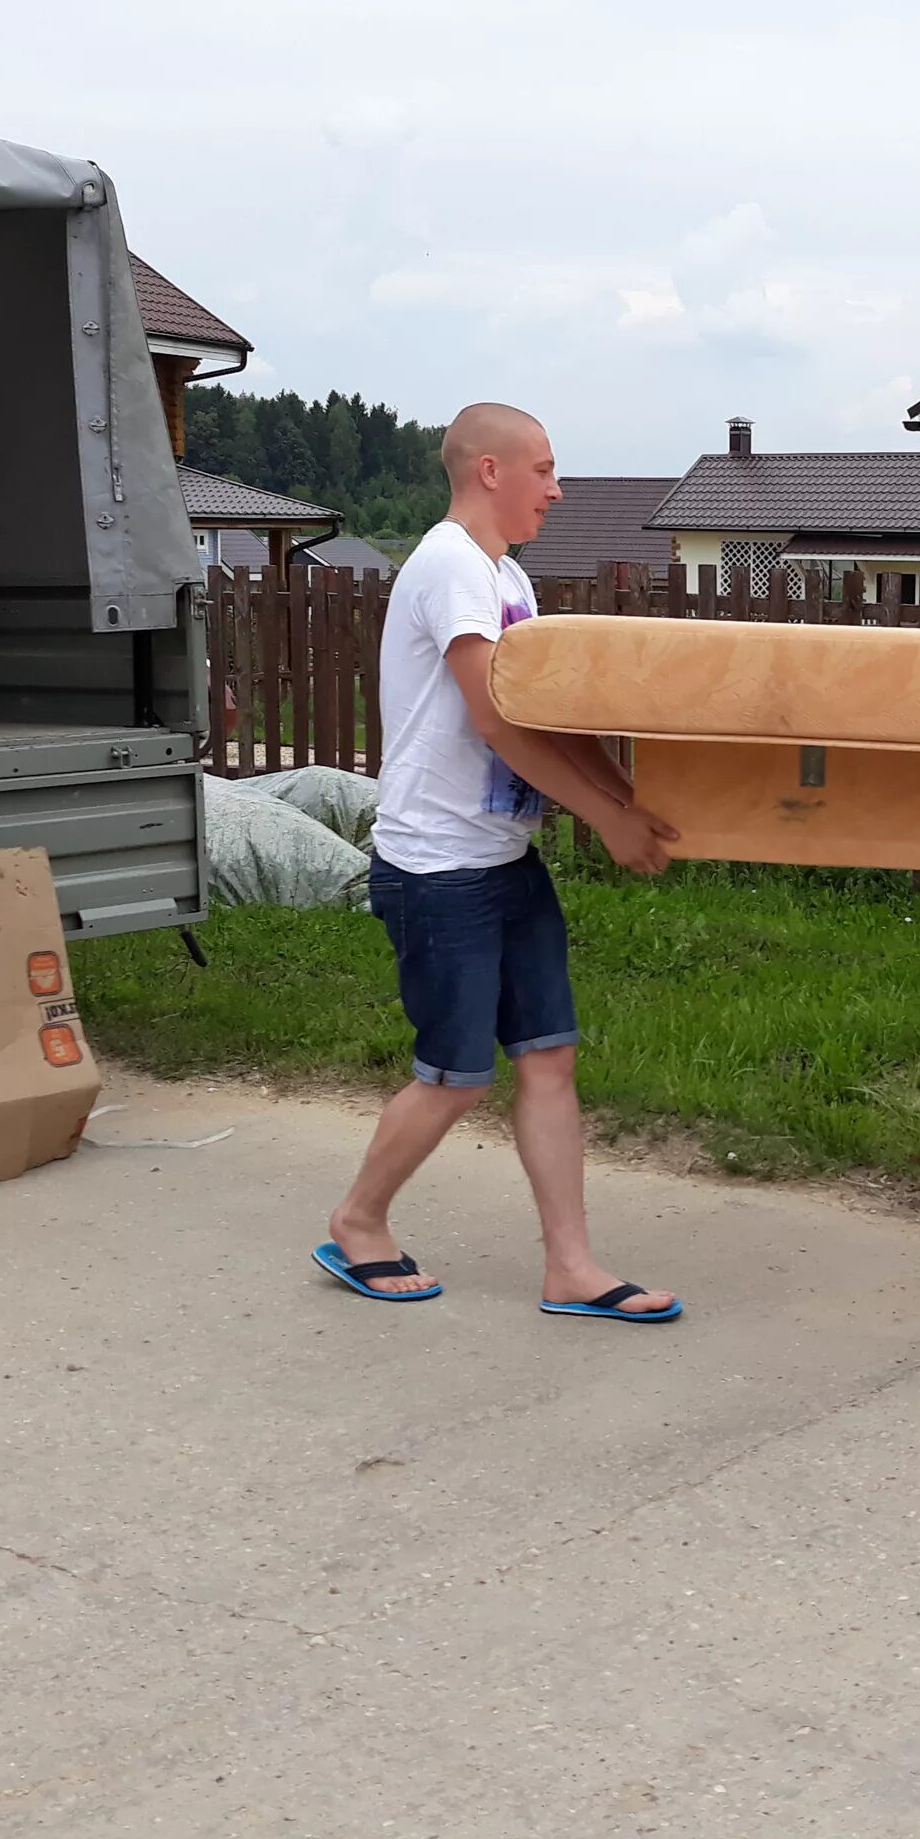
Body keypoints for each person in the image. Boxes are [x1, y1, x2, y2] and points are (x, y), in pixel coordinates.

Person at [315, 403, 687, 1322]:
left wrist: (631, 799)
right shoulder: (449, 566)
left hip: (502, 858)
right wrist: (605, 819)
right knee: (456, 1074)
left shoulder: (505, 573)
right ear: (490, 470)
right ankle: (359, 1222)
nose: (558, 491)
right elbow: (496, 719)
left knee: (549, 1058)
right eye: (546, 472)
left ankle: (573, 1268)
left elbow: (550, 715)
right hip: (437, 869)